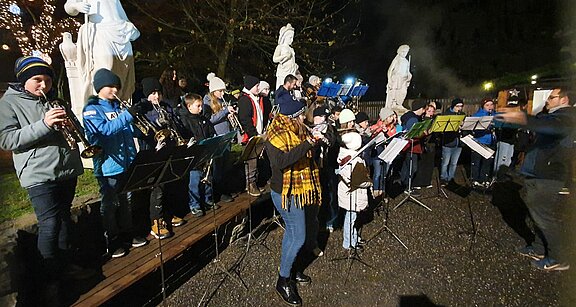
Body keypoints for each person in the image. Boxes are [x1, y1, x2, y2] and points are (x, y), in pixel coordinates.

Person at [0, 57, 93, 294]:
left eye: (48, 80)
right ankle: (49, 277)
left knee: (63, 220)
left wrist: (74, 127)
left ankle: (64, 268)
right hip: (38, 173)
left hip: (66, 169)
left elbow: (77, 129)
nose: (44, 85)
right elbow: (7, 139)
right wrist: (44, 124)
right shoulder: (8, 104)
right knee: (50, 224)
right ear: (23, 81)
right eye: (37, 80)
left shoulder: (54, 100)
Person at [496, 87, 575, 271]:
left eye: (552, 97)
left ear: (564, 99)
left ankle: (557, 258)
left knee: (545, 218)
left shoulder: (566, 117)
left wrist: (521, 117)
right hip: (539, 174)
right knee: (537, 216)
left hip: (548, 176)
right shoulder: (554, 116)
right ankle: (540, 248)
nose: (547, 100)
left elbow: (546, 126)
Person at [83, 68, 149, 258]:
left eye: (117, 87)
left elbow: (126, 129)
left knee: (126, 201)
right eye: (110, 86)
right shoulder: (92, 109)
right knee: (110, 204)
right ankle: (112, 240)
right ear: (100, 87)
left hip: (127, 162)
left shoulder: (117, 107)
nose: (115, 90)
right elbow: (104, 130)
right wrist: (128, 115)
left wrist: (142, 128)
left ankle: (128, 234)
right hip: (108, 165)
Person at [265, 93, 322, 306]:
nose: (303, 120)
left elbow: (304, 154)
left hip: (298, 189)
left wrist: (314, 141)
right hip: (285, 192)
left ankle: (292, 270)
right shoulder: (276, 134)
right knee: (298, 236)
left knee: (293, 233)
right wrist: (308, 143)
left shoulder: (294, 129)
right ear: (291, 117)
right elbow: (282, 161)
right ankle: (282, 280)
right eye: (300, 116)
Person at [137, 77, 186, 239]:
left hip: (170, 149)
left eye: (157, 92)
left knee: (170, 184)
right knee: (158, 188)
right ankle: (156, 221)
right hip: (154, 151)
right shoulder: (142, 108)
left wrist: (172, 120)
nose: (156, 97)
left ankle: (168, 214)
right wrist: (157, 124)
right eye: (152, 93)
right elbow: (141, 132)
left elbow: (176, 125)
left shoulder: (165, 106)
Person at [64, 0, 139, 104]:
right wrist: (77, 6)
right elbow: (68, 7)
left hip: (120, 30)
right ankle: (100, 106)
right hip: (99, 31)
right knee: (105, 68)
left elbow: (117, 10)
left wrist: (128, 25)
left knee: (123, 75)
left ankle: (120, 106)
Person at [179, 94, 220, 217]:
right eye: (198, 106)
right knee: (195, 180)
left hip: (205, 152)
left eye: (201, 105)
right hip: (194, 154)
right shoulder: (185, 120)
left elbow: (210, 131)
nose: (201, 108)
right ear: (189, 106)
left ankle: (207, 199)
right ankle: (195, 204)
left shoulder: (202, 118)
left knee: (208, 178)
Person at [202, 73, 235, 203]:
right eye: (220, 91)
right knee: (217, 168)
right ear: (213, 90)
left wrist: (229, 115)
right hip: (217, 137)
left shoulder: (222, 101)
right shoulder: (207, 102)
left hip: (226, 135)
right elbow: (210, 120)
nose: (222, 93)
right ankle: (218, 192)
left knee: (226, 166)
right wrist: (225, 111)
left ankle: (225, 189)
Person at [338, 132, 371, 251]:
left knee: (352, 218)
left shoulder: (344, 154)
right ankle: (348, 242)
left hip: (347, 192)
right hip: (353, 193)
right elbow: (358, 180)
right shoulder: (354, 160)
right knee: (351, 218)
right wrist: (369, 182)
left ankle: (354, 237)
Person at [238, 75, 268, 196]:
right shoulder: (245, 100)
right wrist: (253, 134)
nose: (258, 88)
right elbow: (245, 119)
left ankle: (256, 182)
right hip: (250, 135)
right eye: (256, 86)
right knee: (251, 160)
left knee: (256, 159)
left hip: (258, 133)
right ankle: (250, 184)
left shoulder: (255, 98)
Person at [312, 106, 339, 233]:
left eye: (324, 117)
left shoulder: (330, 128)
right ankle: (318, 219)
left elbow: (332, 142)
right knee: (319, 194)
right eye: (320, 117)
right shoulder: (311, 129)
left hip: (329, 166)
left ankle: (331, 221)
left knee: (331, 194)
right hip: (317, 166)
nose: (323, 119)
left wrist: (322, 137)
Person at [399, 99, 427, 193]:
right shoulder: (413, 119)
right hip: (411, 146)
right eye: (424, 109)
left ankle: (404, 184)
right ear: (420, 109)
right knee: (412, 168)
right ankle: (407, 187)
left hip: (406, 146)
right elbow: (413, 134)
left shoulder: (408, 116)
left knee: (406, 166)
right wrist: (424, 133)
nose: (424, 112)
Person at [371, 107, 398, 197]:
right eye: (390, 116)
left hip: (387, 153)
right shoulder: (377, 126)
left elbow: (392, 138)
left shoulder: (392, 127)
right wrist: (379, 129)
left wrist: (386, 133)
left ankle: (382, 191)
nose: (392, 118)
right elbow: (371, 136)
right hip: (377, 154)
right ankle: (375, 190)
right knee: (377, 173)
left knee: (384, 174)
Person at [470, 98, 496, 188]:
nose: (490, 107)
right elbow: (472, 127)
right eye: (487, 105)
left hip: (491, 141)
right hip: (479, 141)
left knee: (487, 162)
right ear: (483, 106)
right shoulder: (478, 115)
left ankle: (483, 179)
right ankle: (475, 179)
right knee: (477, 161)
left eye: (491, 105)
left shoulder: (494, 114)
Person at [440, 98, 465, 186]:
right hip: (448, 142)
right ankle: (443, 177)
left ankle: (451, 177)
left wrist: (463, 126)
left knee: (454, 163)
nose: (459, 108)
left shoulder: (462, 115)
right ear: (453, 106)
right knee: (445, 162)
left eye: (461, 106)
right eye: (457, 106)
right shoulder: (447, 114)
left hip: (458, 142)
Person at [413, 103, 438, 189]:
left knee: (430, 164)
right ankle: (418, 182)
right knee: (422, 163)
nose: (431, 113)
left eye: (432, 111)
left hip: (432, 143)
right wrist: (428, 132)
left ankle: (427, 181)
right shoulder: (422, 120)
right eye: (429, 111)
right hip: (424, 143)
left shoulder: (434, 120)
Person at [385, 45, 411, 110]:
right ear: (399, 51)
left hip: (403, 80)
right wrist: (389, 80)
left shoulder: (406, 62)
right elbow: (390, 70)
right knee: (394, 93)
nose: (404, 53)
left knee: (403, 92)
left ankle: (399, 104)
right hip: (396, 79)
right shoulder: (397, 60)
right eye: (403, 52)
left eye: (406, 52)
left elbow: (407, 71)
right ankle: (393, 105)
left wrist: (409, 75)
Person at [273, 24, 298, 90]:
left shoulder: (291, 49)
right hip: (283, 72)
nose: (291, 40)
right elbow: (274, 59)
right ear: (285, 37)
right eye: (290, 38)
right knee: (282, 89)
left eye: (292, 38)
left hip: (291, 71)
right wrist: (284, 56)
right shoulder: (280, 47)